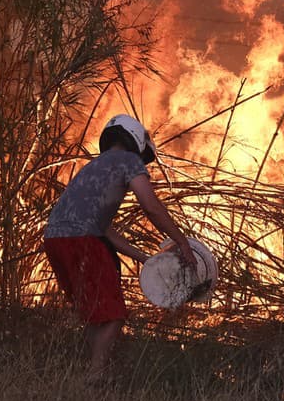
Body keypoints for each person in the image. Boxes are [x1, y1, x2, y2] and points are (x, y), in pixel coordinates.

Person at [43, 114, 195, 379]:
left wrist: (146, 258)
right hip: (83, 241)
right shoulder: (129, 161)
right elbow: (151, 206)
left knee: (93, 314)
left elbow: (104, 229)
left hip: (55, 240)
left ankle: (96, 371)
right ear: (136, 140)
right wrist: (182, 242)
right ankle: (96, 377)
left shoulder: (93, 167)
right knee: (114, 314)